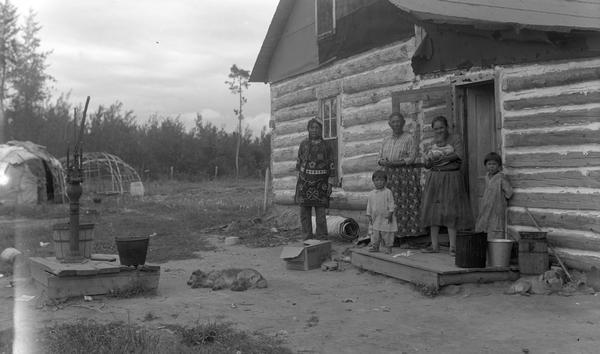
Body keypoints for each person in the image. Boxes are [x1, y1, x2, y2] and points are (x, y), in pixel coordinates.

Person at [421, 115, 473, 255]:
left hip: (451, 177)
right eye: (436, 128)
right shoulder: (432, 143)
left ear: (447, 127)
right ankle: (434, 245)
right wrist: (428, 161)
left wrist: (441, 156)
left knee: (451, 211)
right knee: (433, 211)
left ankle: (453, 247)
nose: (439, 131)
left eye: (441, 127)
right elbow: (427, 164)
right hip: (434, 178)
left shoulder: (455, 139)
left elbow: (459, 155)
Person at [377, 112, 424, 241]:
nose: (396, 124)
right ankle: (390, 236)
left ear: (403, 123)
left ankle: (405, 237)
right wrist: (384, 162)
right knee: (388, 205)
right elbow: (379, 157)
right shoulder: (386, 140)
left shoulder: (409, 138)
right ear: (389, 124)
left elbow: (412, 157)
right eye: (393, 122)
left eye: (398, 121)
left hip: (404, 176)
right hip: (388, 176)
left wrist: (396, 163)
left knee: (404, 205)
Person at [294, 117, 336, 240]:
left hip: (321, 184)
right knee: (304, 214)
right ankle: (307, 238)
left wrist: (330, 182)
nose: (314, 130)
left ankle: (321, 239)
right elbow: (299, 162)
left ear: (321, 130)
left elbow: (332, 164)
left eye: (317, 128)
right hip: (304, 184)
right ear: (308, 129)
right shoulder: (303, 144)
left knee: (321, 215)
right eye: (311, 127)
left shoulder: (327, 146)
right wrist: (298, 181)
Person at [475, 152, 513, 240]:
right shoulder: (487, 177)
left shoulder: (501, 178)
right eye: (489, 164)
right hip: (486, 207)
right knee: (484, 225)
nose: (491, 166)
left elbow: (509, 192)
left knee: (496, 227)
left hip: (497, 208)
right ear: (485, 165)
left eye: (494, 164)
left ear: (499, 165)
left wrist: (501, 199)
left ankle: (496, 249)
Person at [366, 170, 397, 254]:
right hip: (375, 218)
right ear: (373, 181)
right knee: (375, 234)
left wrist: (390, 214)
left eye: (381, 180)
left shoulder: (388, 192)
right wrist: (369, 215)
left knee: (387, 233)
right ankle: (375, 246)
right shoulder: (371, 193)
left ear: (385, 181)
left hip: (386, 217)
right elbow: (369, 205)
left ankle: (389, 247)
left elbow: (391, 203)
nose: (379, 182)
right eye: (376, 180)